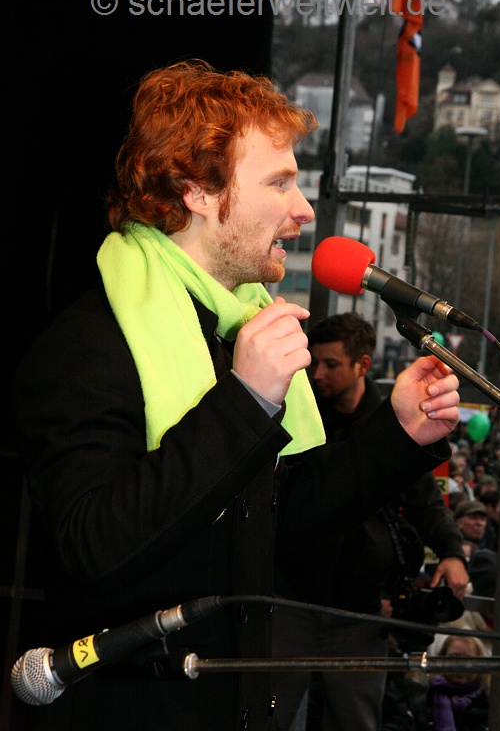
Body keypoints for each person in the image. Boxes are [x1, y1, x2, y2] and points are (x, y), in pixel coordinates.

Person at [14, 60, 460, 731]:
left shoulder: (233, 325)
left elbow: (280, 518)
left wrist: (398, 436)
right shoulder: (87, 344)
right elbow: (94, 547)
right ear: (196, 190)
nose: (303, 209)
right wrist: (244, 401)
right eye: (279, 182)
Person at [273, 312, 467, 731]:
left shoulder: (393, 419)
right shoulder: (299, 411)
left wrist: (452, 552)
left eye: (331, 364)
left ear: (362, 365)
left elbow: (425, 500)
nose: (318, 374)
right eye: (314, 363)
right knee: (268, 713)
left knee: (357, 719)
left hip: (359, 605)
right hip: (290, 598)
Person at [427, 635, 490, 731]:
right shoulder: (425, 701)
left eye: (468, 660)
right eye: (454, 658)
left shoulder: (491, 707)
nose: (461, 666)